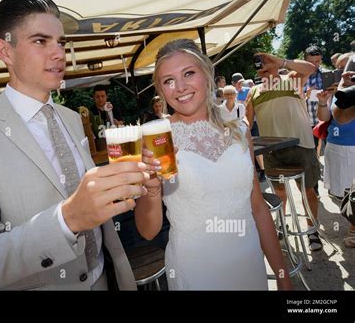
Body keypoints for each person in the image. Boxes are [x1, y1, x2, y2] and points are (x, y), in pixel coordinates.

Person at [0, 0, 148, 290]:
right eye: (40, 41)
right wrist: (67, 220)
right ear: (5, 51)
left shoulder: (73, 118)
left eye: (60, 42)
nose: (59, 53)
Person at [134, 39, 292, 290]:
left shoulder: (240, 129)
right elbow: (148, 231)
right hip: (196, 271)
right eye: (168, 80)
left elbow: (258, 207)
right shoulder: (158, 140)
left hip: (248, 262)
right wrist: (151, 187)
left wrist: (282, 275)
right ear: (161, 90)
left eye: (189, 73)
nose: (180, 87)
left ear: (207, 75)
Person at [246, 52, 323, 251]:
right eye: (261, 66)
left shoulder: (291, 80)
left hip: (302, 145)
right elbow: (246, 123)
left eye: (268, 64)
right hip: (272, 151)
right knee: (279, 194)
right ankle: (281, 225)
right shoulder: (254, 91)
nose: (264, 68)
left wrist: (281, 62)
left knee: (307, 192)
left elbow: (311, 68)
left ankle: (312, 230)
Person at [316, 53, 355, 248]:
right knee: (346, 194)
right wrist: (324, 101)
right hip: (337, 148)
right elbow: (326, 118)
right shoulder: (340, 91)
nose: (342, 73)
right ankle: (354, 226)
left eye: (345, 69)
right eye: (339, 69)